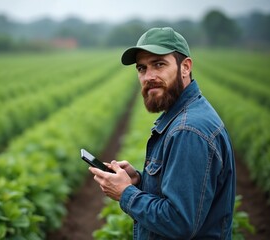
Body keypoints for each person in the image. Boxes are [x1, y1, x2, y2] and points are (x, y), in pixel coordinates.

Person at [89, 27, 236, 239]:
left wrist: (125, 194)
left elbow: (179, 222)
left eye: (159, 64)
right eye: (141, 68)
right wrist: (138, 182)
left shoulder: (188, 131)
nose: (148, 76)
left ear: (185, 67)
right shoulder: (187, 115)